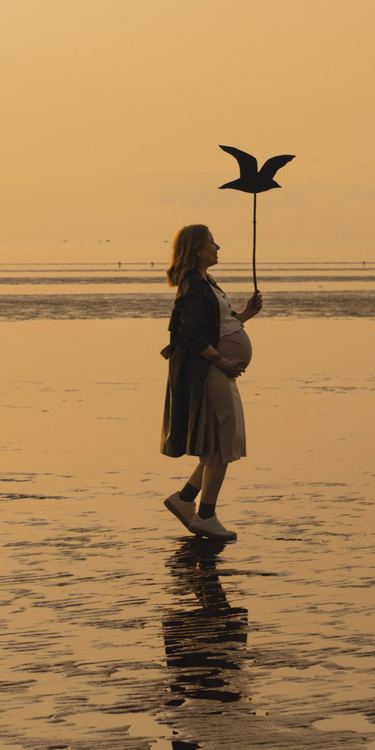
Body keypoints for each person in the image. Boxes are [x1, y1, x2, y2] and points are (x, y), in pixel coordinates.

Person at [159, 224, 263, 541]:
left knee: (219, 442)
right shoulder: (192, 286)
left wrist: (245, 314)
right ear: (196, 249)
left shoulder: (207, 283)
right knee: (221, 443)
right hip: (211, 371)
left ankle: (185, 498)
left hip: (221, 369)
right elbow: (191, 335)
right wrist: (221, 361)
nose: (217, 247)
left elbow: (218, 325)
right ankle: (206, 516)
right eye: (211, 243)